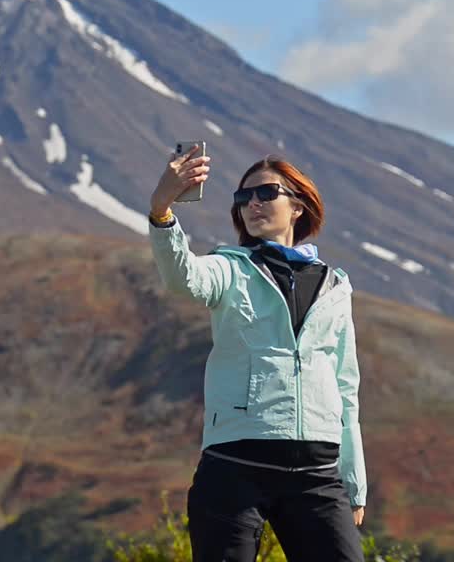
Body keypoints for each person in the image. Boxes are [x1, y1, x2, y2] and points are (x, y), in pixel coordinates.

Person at [147, 144, 367, 562]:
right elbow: (183, 278)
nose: (252, 204)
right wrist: (162, 209)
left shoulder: (336, 286)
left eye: (266, 193)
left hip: (316, 473)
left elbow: (346, 385)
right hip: (234, 466)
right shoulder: (229, 268)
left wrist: (353, 481)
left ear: (298, 206)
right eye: (243, 198)